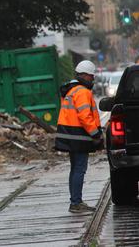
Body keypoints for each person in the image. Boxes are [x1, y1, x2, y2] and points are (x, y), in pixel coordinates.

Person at [55, 60, 103, 213]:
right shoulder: (82, 91)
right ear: (84, 75)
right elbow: (84, 116)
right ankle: (76, 203)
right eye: (91, 76)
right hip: (79, 136)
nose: (92, 79)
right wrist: (95, 134)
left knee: (74, 168)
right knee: (79, 169)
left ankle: (75, 201)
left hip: (69, 135)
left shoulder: (70, 90)